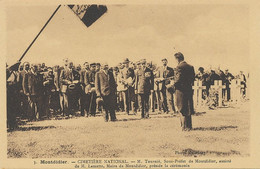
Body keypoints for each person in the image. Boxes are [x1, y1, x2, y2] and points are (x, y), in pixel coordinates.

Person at [173, 52, 195, 131]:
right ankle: (189, 126)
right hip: (188, 89)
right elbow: (192, 79)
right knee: (188, 107)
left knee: (181, 107)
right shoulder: (190, 67)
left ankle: (184, 126)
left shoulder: (179, 67)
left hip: (180, 90)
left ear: (177, 59)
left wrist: (172, 85)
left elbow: (177, 80)